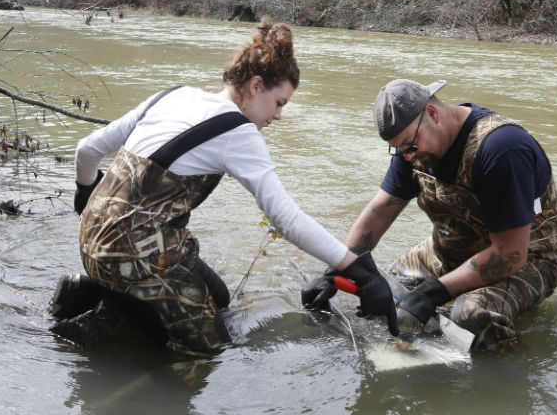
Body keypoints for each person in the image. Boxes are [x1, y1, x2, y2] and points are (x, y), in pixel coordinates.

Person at [54, 19, 398, 357]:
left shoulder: (172, 95)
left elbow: (87, 150)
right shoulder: (238, 131)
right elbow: (286, 218)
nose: (278, 116)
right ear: (255, 86)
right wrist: (356, 269)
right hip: (133, 257)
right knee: (210, 351)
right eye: (279, 103)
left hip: (88, 242)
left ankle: (104, 290)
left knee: (217, 298)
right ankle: (112, 305)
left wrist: (86, 195)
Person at [302, 79, 557, 351]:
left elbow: (510, 254)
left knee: (470, 317)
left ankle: (508, 374)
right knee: (390, 292)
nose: (407, 157)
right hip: (452, 249)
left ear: (432, 113)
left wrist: (433, 294)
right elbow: (379, 212)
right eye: (400, 150)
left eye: (409, 146)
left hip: (528, 259)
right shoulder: (413, 148)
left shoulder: (502, 149)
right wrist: (337, 270)